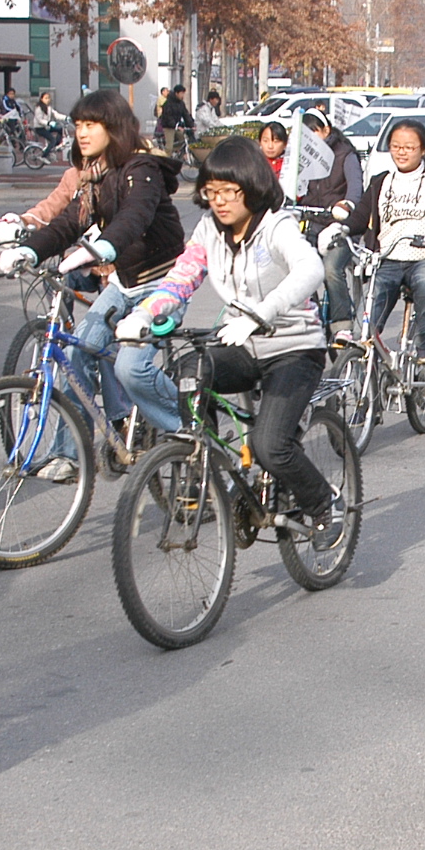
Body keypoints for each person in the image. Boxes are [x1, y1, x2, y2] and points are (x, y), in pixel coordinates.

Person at [118, 136, 344, 551]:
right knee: (189, 371)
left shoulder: (276, 226)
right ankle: (201, 463)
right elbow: (181, 279)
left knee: (269, 446)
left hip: (294, 349)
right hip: (243, 345)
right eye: (211, 192)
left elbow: (309, 268)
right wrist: (144, 314)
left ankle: (325, 503)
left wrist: (263, 312)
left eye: (229, 191)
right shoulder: (208, 231)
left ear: (251, 186)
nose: (219, 201)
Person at [0, 87, 187, 468]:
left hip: (164, 284)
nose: (81, 133)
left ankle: (187, 427)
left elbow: (135, 217)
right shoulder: (90, 177)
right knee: (76, 353)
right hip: (122, 284)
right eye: (78, 125)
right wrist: (29, 250)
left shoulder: (141, 168)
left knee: (130, 368)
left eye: (91, 124)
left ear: (113, 127)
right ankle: (69, 456)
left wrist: (104, 249)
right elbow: (67, 222)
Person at [332, 119, 425, 366]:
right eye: (396, 146)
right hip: (386, 260)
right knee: (368, 321)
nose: (402, 152)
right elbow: (361, 215)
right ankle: (365, 374)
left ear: (423, 150)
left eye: (409, 147)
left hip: (423, 260)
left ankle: (424, 344)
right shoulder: (380, 182)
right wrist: (342, 228)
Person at [296, 109, 366, 333]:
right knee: (297, 269)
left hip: (340, 228)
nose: (308, 138)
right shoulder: (301, 154)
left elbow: (356, 190)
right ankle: (306, 316)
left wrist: (346, 206)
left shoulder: (345, 155)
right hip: (311, 224)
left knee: (330, 270)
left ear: (326, 130)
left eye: (313, 132)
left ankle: (341, 323)